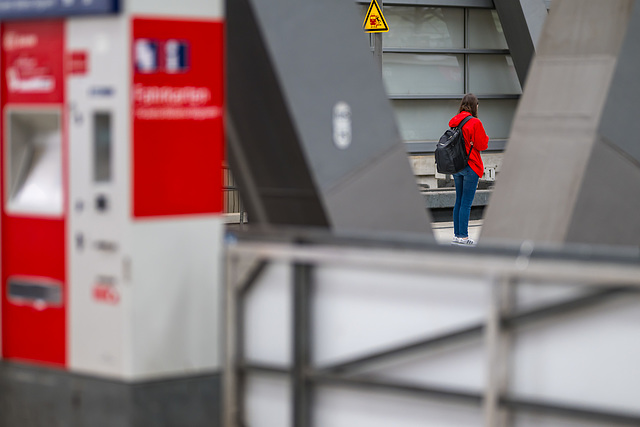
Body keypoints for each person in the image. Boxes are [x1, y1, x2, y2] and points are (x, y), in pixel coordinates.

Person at [449, 93, 488, 246]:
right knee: (466, 203)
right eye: (477, 104)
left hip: (457, 166)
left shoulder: (455, 121)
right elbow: (482, 145)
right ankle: (464, 237)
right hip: (471, 166)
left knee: (458, 201)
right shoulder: (475, 122)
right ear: (474, 105)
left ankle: (457, 235)